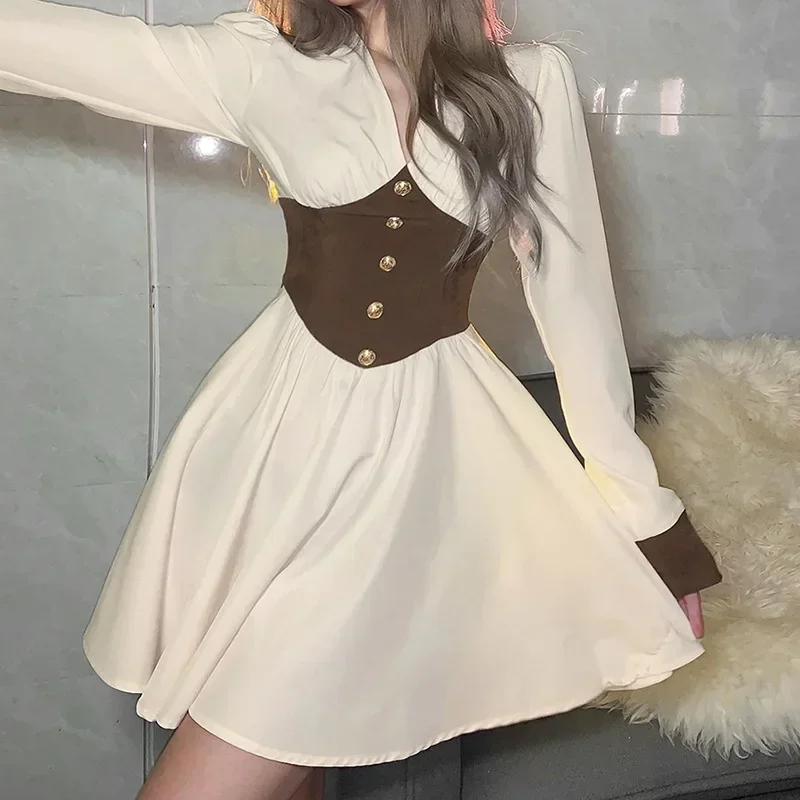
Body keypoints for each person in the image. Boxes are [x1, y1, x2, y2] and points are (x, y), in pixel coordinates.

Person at [0, 0, 723, 797]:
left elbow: (578, 312)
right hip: (277, 448)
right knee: (290, 737)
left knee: (275, 716)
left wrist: (648, 522)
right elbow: (48, 47)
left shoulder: (528, 82)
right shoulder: (259, 58)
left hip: (420, 465)